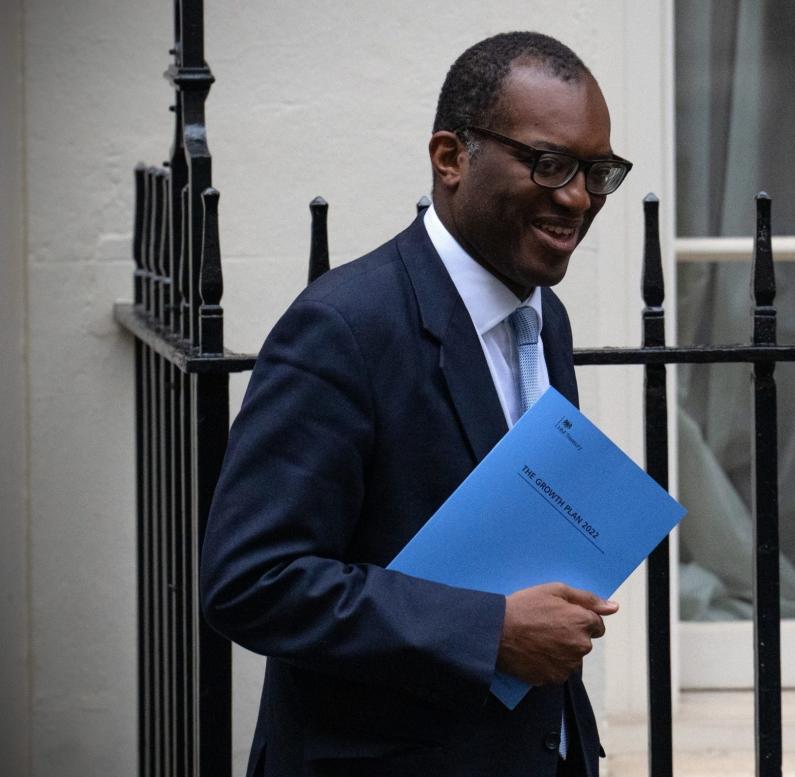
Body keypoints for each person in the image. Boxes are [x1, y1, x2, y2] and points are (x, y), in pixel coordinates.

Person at [200, 31, 632, 777]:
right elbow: (251, 581)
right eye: (549, 163)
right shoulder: (343, 327)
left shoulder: (543, 316)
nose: (577, 197)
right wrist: (488, 629)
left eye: (598, 171)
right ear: (450, 158)